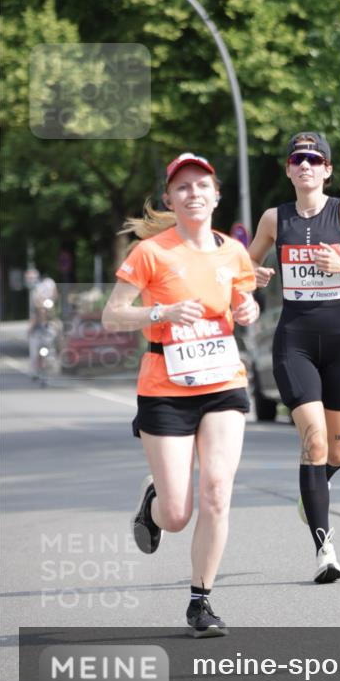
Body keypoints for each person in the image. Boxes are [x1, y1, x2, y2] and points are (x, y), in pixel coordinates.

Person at [102, 152, 259, 637]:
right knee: (176, 514)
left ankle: (201, 601)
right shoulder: (151, 252)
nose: (194, 193)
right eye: (183, 187)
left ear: (216, 196)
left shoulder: (233, 252)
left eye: (202, 186)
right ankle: (153, 505)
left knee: (216, 492)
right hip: (165, 388)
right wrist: (161, 314)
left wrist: (248, 308)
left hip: (223, 383)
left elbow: (241, 301)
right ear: (170, 198)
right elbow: (113, 315)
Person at [247, 132, 340, 583]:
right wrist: (252, 275)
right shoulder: (275, 219)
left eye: (315, 159)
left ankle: (313, 489)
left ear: (327, 169)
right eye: (299, 159)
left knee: (338, 451)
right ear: (289, 169)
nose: (306, 166)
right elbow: (240, 271)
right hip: (294, 340)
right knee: (312, 443)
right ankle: (324, 549)